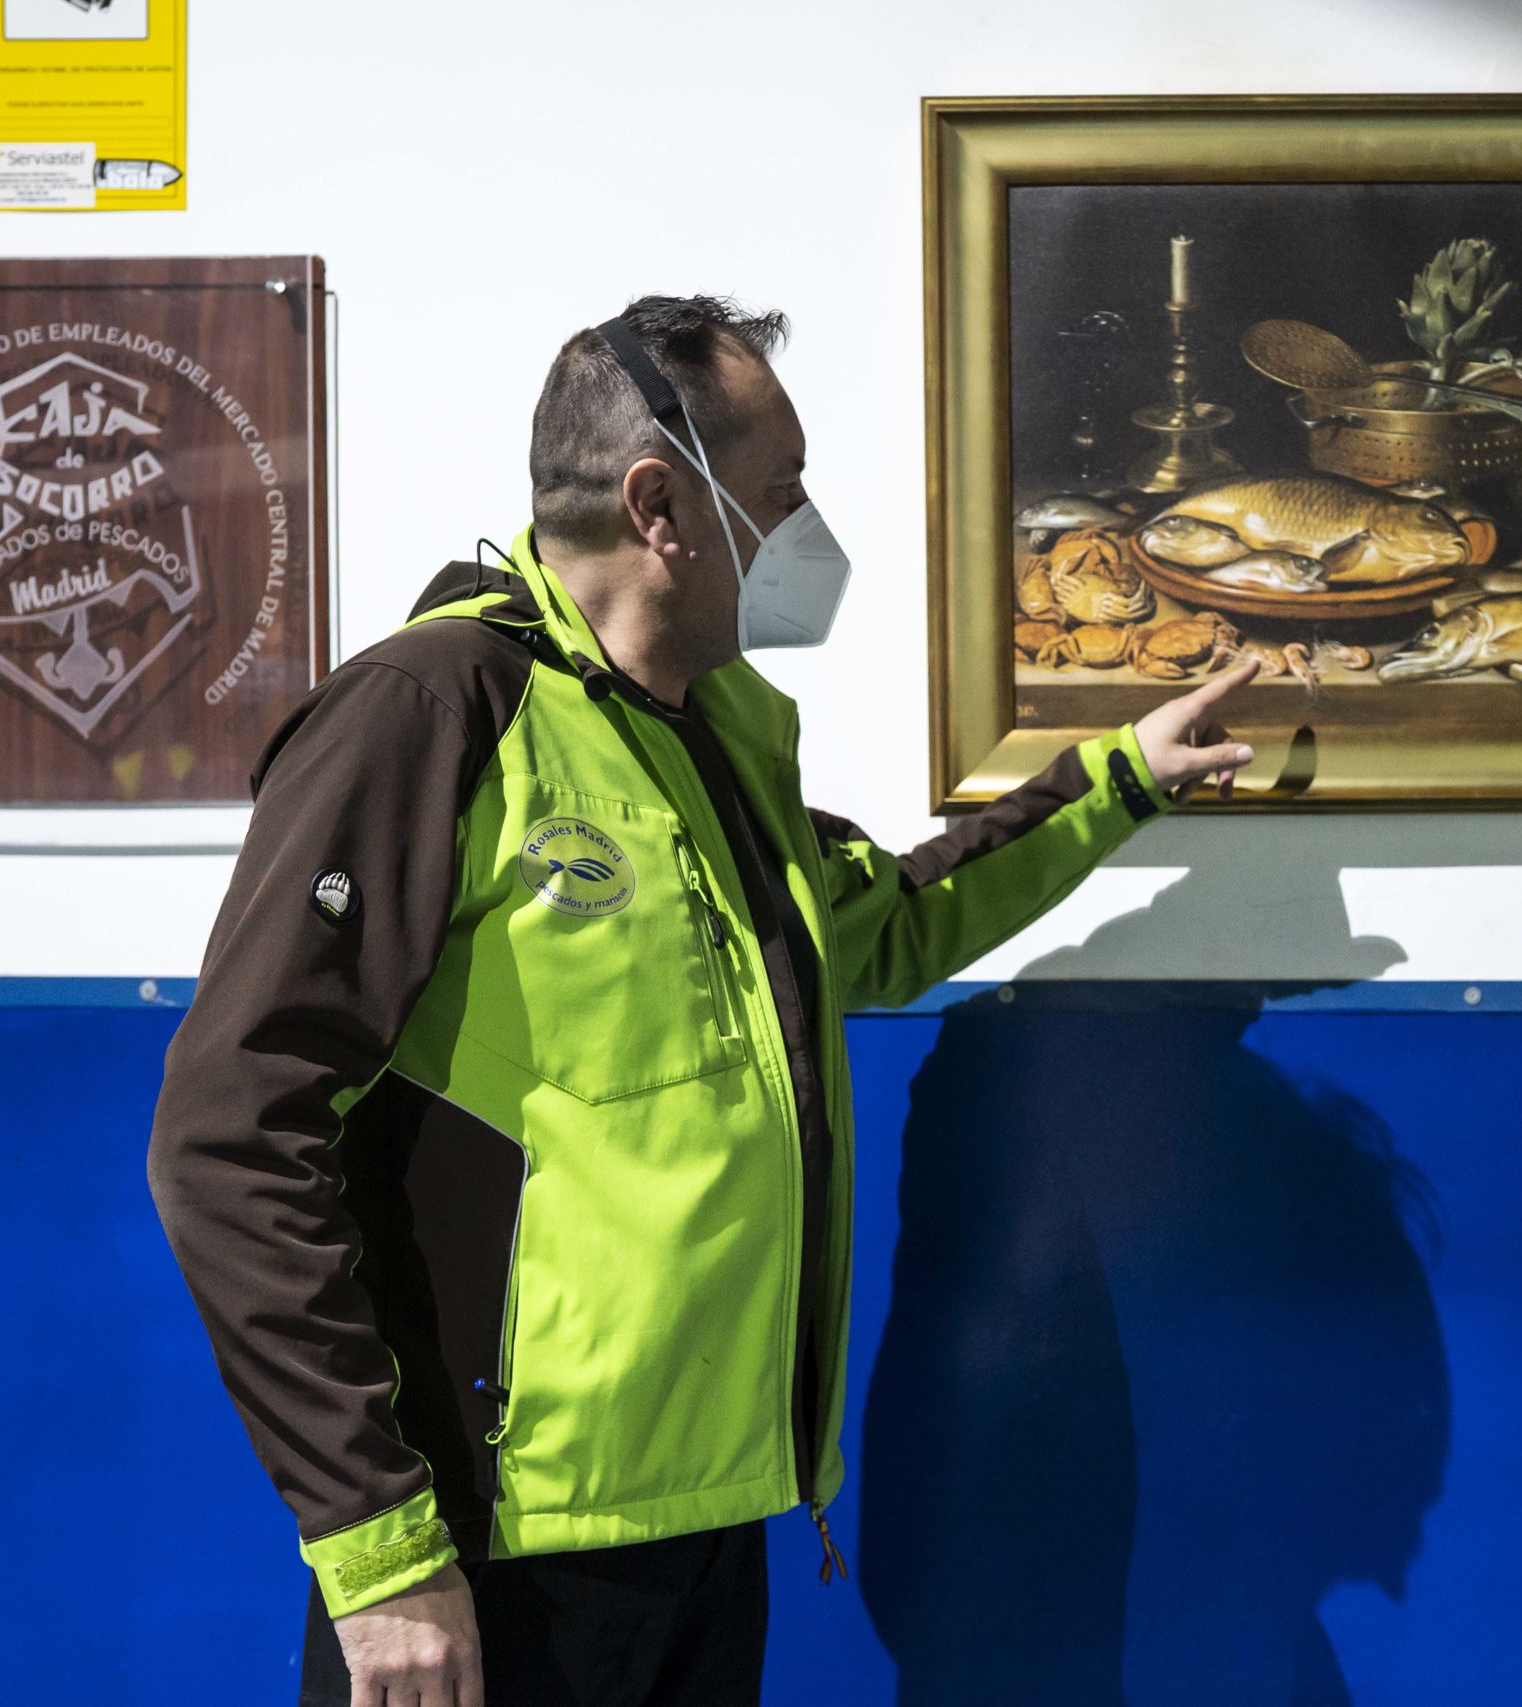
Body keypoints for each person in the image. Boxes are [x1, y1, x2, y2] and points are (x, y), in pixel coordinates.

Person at [147, 294, 1258, 1707]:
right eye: (780, 488)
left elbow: (882, 929)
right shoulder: (431, 711)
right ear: (660, 506)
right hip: (492, 1555)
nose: (807, 528)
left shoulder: (722, 733)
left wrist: (1120, 782)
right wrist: (379, 1553)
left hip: (710, 1525)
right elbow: (230, 1138)